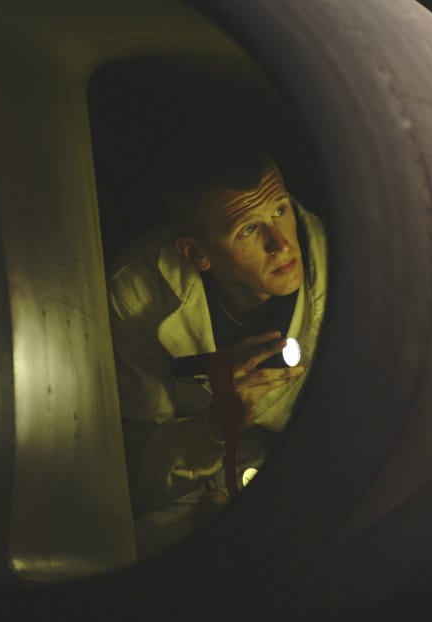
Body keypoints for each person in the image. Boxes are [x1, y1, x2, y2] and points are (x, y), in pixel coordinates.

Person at [107, 137, 327, 556]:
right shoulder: (139, 295)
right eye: (248, 229)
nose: (281, 243)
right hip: (186, 497)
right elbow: (133, 472)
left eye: (280, 209)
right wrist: (213, 427)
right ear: (196, 254)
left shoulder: (335, 260)